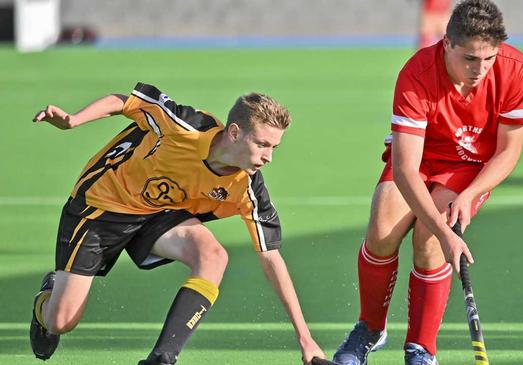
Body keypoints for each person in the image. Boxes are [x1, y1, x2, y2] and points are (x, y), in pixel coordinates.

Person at [29, 83, 326, 365]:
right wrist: (73, 120)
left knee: (213, 256)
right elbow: (126, 102)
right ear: (234, 132)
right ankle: (47, 298)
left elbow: (271, 256)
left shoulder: (246, 186)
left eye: (274, 147)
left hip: (159, 211)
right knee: (61, 321)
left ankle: (162, 358)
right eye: (262, 144)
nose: (269, 157)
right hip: (99, 207)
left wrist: (305, 337)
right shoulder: (184, 126)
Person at [332, 0, 523, 364]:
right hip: (419, 159)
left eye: (489, 58)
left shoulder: (515, 69)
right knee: (383, 226)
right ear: (447, 43)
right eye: (470, 59)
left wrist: (471, 194)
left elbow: (507, 153)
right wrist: (449, 235)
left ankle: (421, 348)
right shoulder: (417, 72)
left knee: (429, 241)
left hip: (472, 166)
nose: (480, 69)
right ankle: (370, 328)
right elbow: (405, 168)